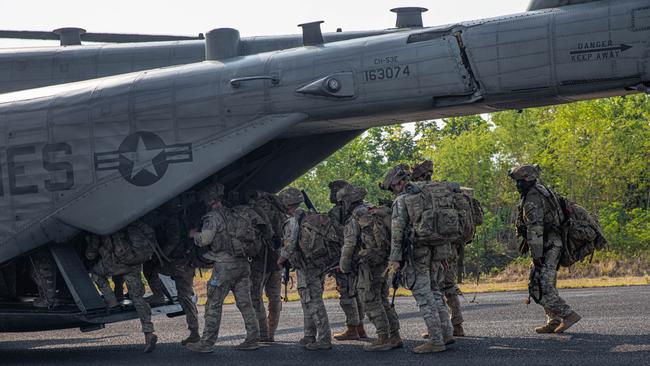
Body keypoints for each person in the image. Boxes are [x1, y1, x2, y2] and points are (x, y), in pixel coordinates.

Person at [382, 164, 454, 354]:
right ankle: (446, 333)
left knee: (423, 295)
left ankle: (436, 340)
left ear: (399, 183)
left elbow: (397, 233)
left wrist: (395, 259)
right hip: (437, 249)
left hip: (418, 252)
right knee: (435, 290)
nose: (392, 191)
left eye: (392, 187)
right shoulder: (428, 194)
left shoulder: (402, 200)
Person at [185, 183, 260, 353]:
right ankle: (253, 338)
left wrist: (194, 235)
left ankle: (206, 343)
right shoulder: (233, 213)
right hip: (242, 263)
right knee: (245, 303)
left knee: (213, 304)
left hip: (224, 267)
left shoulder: (212, 217)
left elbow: (205, 239)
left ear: (209, 200)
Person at [509, 164, 581, 334]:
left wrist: (536, 255)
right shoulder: (542, 190)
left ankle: (568, 314)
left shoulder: (533, 198)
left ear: (528, 180)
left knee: (540, 286)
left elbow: (536, 228)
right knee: (543, 284)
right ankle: (553, 320)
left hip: (547, 246)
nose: (517, 185)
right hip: (551, 243)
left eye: (520, 181)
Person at [338, 184, 402, 351]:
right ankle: (395, 336)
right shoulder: (373, 210)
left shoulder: (355, 217)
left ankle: (383, 338)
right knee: (383, 299)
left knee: (370, 301)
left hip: (367, 264)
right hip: (383, 261)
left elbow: (350, 244)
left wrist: (344, 266)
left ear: (347, 201)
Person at [411, 160, 467, 337]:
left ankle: (445, 327)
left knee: (435, 286)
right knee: (447, 284)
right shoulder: (446, 190)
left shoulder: (423, 192)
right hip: (451, 244)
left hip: (436, 246)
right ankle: (455, 324)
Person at [85, 220, 158, 353]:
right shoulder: (128, 218)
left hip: (115, 263)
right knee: (137, 298)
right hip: (134, 263)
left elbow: (91, 253)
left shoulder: (97, 220)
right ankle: (149, 333)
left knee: (96, 274)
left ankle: (112, 302)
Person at [277, 187, 332, 351]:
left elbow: (289, 246)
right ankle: (309, 335)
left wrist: (280, 261)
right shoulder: (310, 216)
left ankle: (324, 339)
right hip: (317, 265)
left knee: (313, 302)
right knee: (308, 301)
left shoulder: (293, 221)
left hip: (306, 267)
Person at [143, 198, 200, 346]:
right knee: (186, 297)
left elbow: (173, 241)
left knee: (150, 267)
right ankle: (194, 332)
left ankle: (158, 296)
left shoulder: (173, 221)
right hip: (187, 263)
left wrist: (161, 256)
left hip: (176, 263)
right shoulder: (185, 219)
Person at [327, 180, 367, 340]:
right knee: (356, 293)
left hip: (345, 255)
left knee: (347, 294)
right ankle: (360, 328)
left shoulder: (338, 211)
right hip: (359, 256)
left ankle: (352, 328)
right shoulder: (362, 209)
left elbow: (336, 235)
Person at [247, 191, 286, 342]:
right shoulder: (278, 209)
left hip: (260, 259)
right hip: (277, 257)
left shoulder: (256, 208)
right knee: (275, 297)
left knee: (255, 295)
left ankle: (262, 333)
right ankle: (271, 333)